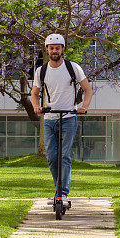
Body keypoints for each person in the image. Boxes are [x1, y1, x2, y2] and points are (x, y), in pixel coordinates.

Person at [31, 33, 93, 204]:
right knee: (52, 157)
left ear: (62, 49)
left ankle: (62, 194)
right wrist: (36, 107)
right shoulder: (41, 71)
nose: (54, 51)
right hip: (50, 118)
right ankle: (59, 190)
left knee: (64, 156)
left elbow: (88, 90)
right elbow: (34, 94)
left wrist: (83, 107)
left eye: (57, 48)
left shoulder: (73, 68)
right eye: (51, 48)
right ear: (47, 50)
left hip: (69, 117)